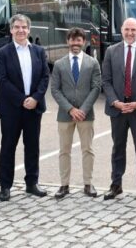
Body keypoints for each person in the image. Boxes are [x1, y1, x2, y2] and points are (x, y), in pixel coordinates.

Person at [0, 14, 51, 201]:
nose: (21, 30)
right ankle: (5, 186)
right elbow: (2, 80)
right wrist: (22, 100)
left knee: (32, 147)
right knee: (8, 147)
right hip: (11, 109)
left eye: (24, 27)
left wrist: (35, 98)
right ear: (11, 30)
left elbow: (45, 77)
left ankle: (32, 183)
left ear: (29, 29)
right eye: (17, 27)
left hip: (34, 108)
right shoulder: (3, 53)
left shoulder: (39, 51)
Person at [102, 18, 136, 201]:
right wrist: (115, 101)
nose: (130, 33)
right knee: (118, 147)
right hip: (117, 109)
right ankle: (116, 184)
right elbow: (106, 81)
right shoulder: (111, 51)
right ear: (121, 30)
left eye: (133, 29)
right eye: (127, 29)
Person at [49, 28, 102, 199]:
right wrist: (70, 109)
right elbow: (55, 90)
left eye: (78, 40)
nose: (75, 44)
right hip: (65, 115)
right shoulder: (59, 64)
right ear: (67, 42)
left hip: (86, 115)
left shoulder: (93, 63)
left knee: (88, 150)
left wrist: (83, 110)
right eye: (72, 40)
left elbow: (96, 88)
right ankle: (64, 185)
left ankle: (88, 184)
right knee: (64, 151)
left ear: (84, 42)